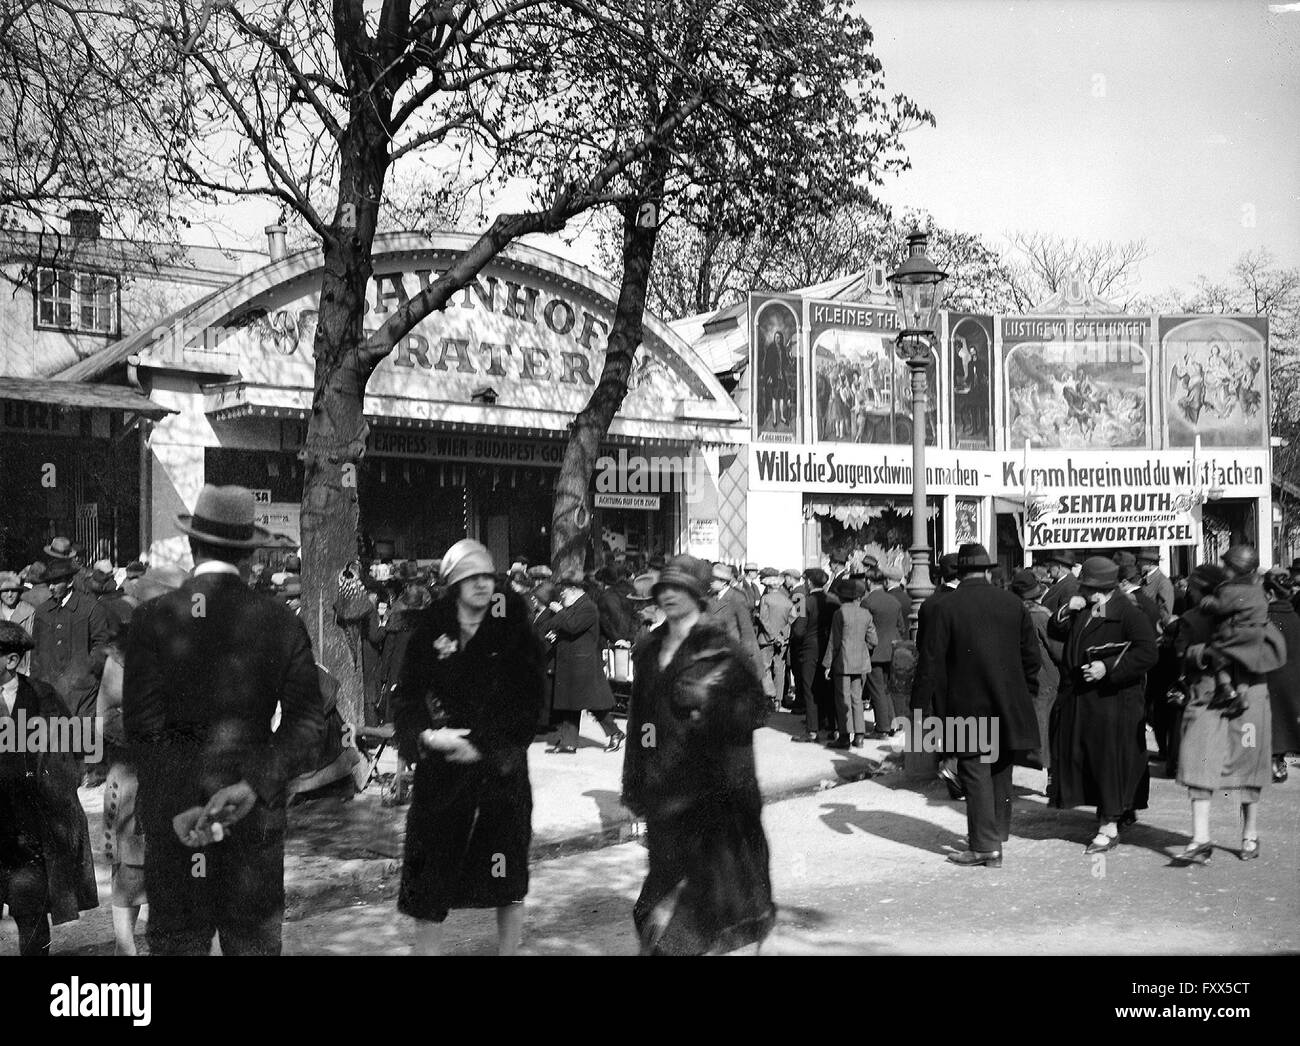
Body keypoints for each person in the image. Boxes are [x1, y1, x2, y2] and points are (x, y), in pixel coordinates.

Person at [123, 485, 323, 955]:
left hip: (178, 829)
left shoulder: (152, 619)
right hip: (252, 825)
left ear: (193, 546)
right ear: (249, 555)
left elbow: (142, 730)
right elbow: (309, 727)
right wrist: (252, 785)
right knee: (251, 946)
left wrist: (178, 805)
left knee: (178, 945)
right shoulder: (279, 621)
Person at [393, 539, 544, 955]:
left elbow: (531, 703)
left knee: (507, 876)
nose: (481, 585)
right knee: (430, 882)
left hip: (500, 775)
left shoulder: (513, 630)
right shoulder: (430, 633)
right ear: (453, 584)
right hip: (441, 777)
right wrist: (424, 737)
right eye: (470, 578)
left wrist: (485, 747)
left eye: (487, 577)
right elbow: (406, 698)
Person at [622, 554, 775, 954]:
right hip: (664, 795)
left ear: (697, 595)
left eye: (680, 588)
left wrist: (714, 703)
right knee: (654, 907)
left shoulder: (721, 651)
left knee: (687, 918)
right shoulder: (648, 650)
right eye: (664, 588)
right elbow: (640, 726)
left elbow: (757, 711)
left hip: (711, 797)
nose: (670, 595)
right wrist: (634, 784)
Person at [917, 544, 1040, 868]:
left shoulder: (944, 606)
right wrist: (1025, 691)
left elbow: (931, 663)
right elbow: (1032, 658)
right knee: (1000, 769)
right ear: (987, 570)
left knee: (974, 771)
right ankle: (996, 834)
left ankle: (984, 846)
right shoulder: (1013, 603)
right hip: (1009, 704)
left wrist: (919, 710)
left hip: (967, 706)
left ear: (957, 572)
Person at [1172, 545, 1284, 864]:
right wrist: (1205, 653)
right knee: (1198, 762)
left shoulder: (1258, 615)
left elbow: (1275, 654)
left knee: (1248, 765)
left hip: (1248, 699)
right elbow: (1183, 655)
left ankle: (1249, 834)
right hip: (1207, 699)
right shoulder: (1192, 619)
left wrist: (1242, 648)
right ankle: (1201, 838)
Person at [97, 565, 188, 954]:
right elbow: (104, 717)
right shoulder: (122, 654)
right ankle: (125, 950)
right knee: (131, 873)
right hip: (135, 778)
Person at [1048, 556, 1159, 855]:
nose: (1086, 592)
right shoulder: (1085, 606)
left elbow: (1148, 652)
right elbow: (1055, 630)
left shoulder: (1129, 612)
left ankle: (1108, 827)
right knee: (1094, 761)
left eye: (1091, 588)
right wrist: (1065, 609)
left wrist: (1107, 667)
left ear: (1107, 588)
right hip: (1084, 699)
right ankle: (1119, 810)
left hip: (1114, 702)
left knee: (1109, 762)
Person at [0, 621, 99, 955]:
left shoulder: (42, 697)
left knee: (30, 915)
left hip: (29, 831)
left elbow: (71, 755)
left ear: (11, 661)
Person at [545, 570, 625, 754]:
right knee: (570, 704)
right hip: (571, 663)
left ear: (573, 589)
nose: (561, 594)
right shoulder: (575, 606)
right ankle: (569, 742)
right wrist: (556, 634)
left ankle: (615, 733)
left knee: (593, 704)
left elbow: (573, 626)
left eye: (564, 590)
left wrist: (560, 612)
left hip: (583, 665)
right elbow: (568, 627)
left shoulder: (587, 607)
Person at [1011, 568, 1060, 773]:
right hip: (1045, 677)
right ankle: (1052, 778)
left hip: (1020, 676)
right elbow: (1057, 649)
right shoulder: (1040, 616)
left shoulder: (1011, 612)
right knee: (1050, 730)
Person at [822, 576, 878, 748]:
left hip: (843, 662)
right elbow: (874, 640)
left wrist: (828, 664)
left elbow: (834, 642)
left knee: (843, 699)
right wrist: (861, 648)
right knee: (857, 699)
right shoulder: (866, 614)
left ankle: (845, 737)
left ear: (841, 596)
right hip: (861, 662)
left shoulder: (840, 613)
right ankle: (859, 736)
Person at [1262, 570, 1300, 783]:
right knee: (1286, 723)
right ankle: (1280, 766)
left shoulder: (1268, 619)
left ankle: (1274, 764)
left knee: (1274, 724)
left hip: (1272, 676)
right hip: (1293, 677)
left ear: (1269, 593)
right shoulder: (1294, 616)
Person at [860, 567, 906, 739]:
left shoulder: (868, 602)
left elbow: (866, 628)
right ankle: (892, 724)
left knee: (877, 689)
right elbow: (900, 626)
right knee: (887, 689)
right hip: (892, 650)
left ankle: (882, 728)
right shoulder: (894, 601)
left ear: (869, 581)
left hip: (875, 651)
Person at [704, 561, 762, 677]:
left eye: (713, 579)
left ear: (724, 582)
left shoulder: (737, 597)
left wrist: (745, 655)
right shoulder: (710, 598)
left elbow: (746, 629)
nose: (710, 582)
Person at [756, 567, 794, 712]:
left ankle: (770, 695)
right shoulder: (787, 601)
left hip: (766, 639)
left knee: (765, 667)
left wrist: (772, 636)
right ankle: (779, 699)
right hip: (783, 640)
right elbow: (792, 620)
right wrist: (782, 636)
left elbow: (763, 619)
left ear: (768, 586)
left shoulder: (765, 599)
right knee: (780, 668)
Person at [0, 571, 35, 675]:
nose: (10, 595)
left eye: (13, 590)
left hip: (20, 668)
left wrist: (28, 669)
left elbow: (30, 645)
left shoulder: (28, 612)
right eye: (5, 591)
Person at [1137, 547, 1175, 623]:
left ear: (1150, 563)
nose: (1138, 563)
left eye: (1141, 560)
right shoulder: (1143, 579)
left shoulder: (1163, 582)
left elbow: (1165, 614)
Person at [1041, 550, 1080, 615]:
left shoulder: (1071, 586)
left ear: (1059, 567)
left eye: (1050, 566)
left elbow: (1066, 616)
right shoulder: (1062, 583)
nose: (1048, 570)